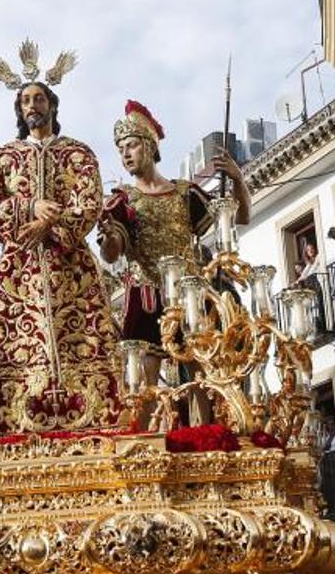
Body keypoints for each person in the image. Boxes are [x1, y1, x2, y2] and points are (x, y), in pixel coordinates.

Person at [0, 76, 122, 434]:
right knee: (14, 342)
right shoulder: (4, 157)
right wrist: (29, 209)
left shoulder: (78, 154)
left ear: (52, 105)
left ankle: (96, 414)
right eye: (25, 101)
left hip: (70, 266)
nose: (32, 106)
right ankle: (13, 419)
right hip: (20, 269)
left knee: (85, 335)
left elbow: (88, 202)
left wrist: (48, 226)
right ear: (19, 110)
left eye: (39, 99)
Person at [98, 100, 250, 425]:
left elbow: (240, 218)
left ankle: (204, 437)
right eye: (120, 148)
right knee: (143, 383)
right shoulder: (122, 200)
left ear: (150, 147)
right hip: (145, 297)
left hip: (189, 296)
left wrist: (237, 180)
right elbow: (111, 253)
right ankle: (149, 444)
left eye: (132, 145)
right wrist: (109, 237)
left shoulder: (185, 193)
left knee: (200, 374)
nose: (125, 154)